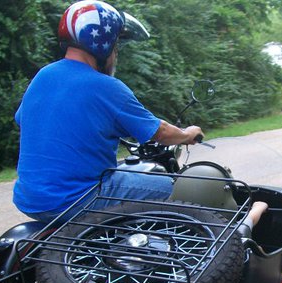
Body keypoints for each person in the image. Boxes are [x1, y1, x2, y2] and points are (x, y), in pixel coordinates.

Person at [13, 0, 203, 223]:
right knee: (180, 187)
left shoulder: (43, 76)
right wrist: (187, 134)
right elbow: (159, 132)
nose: (115, 54)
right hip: (78, 198)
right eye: (116, 46)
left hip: (30, 200)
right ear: (103, 44)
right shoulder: (105, 86)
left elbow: (25, 120)